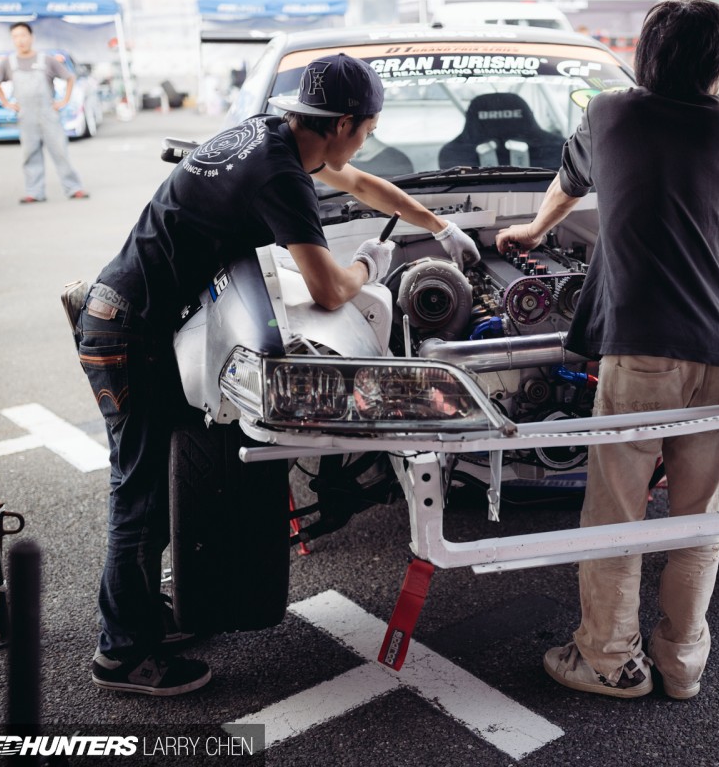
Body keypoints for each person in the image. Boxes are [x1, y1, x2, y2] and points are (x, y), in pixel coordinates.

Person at [76, 53, 479, 696]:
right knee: (140, 494)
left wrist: (439, 225)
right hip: (127, 333)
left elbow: (361, 185)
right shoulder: (279, 176)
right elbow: (326, 291)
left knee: (150, 485)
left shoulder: (270, 132)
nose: (364, 143)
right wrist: (373, 267)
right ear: (343, 122)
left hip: (127, 317)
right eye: (367, 130)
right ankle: (121, 655)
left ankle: (134, 615)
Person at [496, 0, 719, 701]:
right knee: (701, 518)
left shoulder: (610, 113)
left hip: (640, 349)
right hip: (717, 347)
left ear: (647, 50)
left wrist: (530, 229)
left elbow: (571, 181)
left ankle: (609, 661)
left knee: (617, 511)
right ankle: (682, 662)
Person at [0, 22, 88, 203]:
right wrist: (6, 103)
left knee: (60, 151)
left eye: (23, 35)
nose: (20, 40)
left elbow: (69, 77)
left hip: (48, 113)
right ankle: (34, 192)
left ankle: (74, 188)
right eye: (16, 36)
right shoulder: (8, 63)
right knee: (30, 154)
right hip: (26, 116)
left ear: (31, 37)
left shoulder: (46, 60)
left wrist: (64, 101)